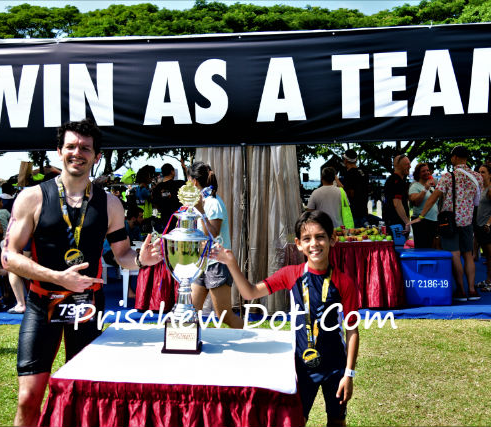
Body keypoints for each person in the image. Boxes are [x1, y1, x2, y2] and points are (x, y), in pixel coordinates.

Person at [1, 118, 155, 426]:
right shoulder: (33, 197)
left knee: (85, 398)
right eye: (71, 146)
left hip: (87, 306)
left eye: (85, 148)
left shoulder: (110, 203)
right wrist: (58, 278)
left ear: (97, 156)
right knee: (28, 399)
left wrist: (141, 260)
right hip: (42, 302)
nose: (77, 153)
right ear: (59, 151)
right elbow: (9, 257)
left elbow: (122, 255)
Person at [213, 210, 359, 426]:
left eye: (320, 237)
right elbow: (250, 293)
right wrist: (231, 263)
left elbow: (352, 330)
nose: (314, 244)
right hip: (301, 366)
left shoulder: (344, 282)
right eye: (307, 239)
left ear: (332, 239)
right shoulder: (291, 274)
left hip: (335, 367)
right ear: (298, 244)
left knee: (337, 421)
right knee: (296, 420)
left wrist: (349, 373)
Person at [412, 146, 483, 302]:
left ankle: (461, 290)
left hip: (449, 221)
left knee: (454, 254)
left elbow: (434, 197)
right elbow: (476, 201)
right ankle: (472, 290)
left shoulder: (447, 177)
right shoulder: (477, 177)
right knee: (468, 255)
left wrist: (421, 216)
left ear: (454, 158)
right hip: (467, 220)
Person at [189, 161, 244, 329]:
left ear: (194, 182)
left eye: (187, 180)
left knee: (225, 316)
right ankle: (190, 341)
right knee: (191, 312)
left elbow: (212, 234)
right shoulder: (202, 202)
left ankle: (250, 336)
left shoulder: (213, 203)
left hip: (217, 264)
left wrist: (201, 211)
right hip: (201, 263)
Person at [474, 164, 491, 292]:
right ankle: (489, 280)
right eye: (479, 172)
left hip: (490, 226)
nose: (480, 174)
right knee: (488, 256)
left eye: (483, 172)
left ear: (490, 174)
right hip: (481, 226)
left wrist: (488, 224)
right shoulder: (480, 188)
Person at [408, 163, 438, 249]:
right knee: (422, 248)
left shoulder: (431, 187)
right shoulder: (415, 186)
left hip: (433, 221)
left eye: (427, 170)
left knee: (432, 249)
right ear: (418, 174)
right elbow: (416, 202)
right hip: (422, 222)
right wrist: (425, 189)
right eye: (423, 171)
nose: (427, 172)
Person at [338, 149, 369, 227]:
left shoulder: (349, 174)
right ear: (356, 160)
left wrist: (336, 180)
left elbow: (349, 194)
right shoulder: (363, 172)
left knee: (354, 234)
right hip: (364, 211)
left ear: (345, 160)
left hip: (354, 213)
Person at [152, 163, 185, 232]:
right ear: (172, 172)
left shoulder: (157, 188)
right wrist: (184, 168)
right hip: (178, 219)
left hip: (164, 220)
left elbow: (155, 204)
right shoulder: (179, 184)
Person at [383, 154, 412, 233]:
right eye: (407, 164)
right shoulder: (396, 180)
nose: (410, 166)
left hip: (395, 223)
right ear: (398, 166)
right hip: (396, 225)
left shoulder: (397, 180)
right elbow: (397, 203)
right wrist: (407, 222)